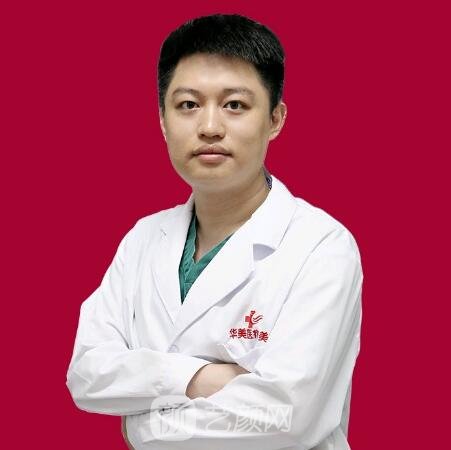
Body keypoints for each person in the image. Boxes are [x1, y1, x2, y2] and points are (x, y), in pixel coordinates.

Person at [66, 13, 363, 450]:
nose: (209, 127)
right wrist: (199, 377)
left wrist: (140, 427)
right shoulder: (143, 239)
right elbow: (87, 374)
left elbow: (286, 417)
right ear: (163, 120)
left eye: (235, 105)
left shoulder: (322, 247)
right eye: (188, 105)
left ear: (275, 119)